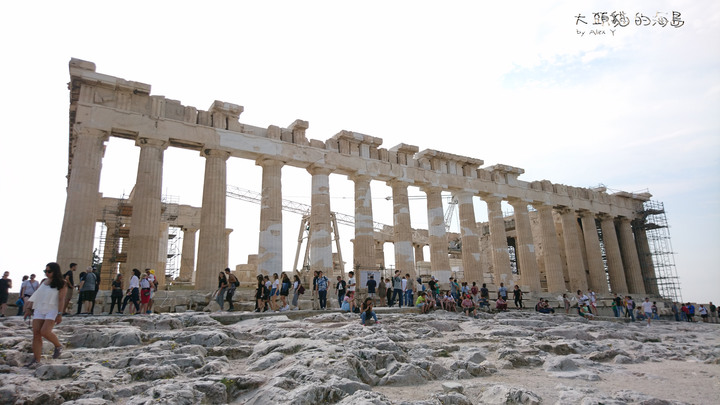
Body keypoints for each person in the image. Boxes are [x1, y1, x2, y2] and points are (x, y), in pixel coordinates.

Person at [24, 262, 67, 367]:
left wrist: (60, 314)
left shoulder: (62, 283)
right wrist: (28, 308)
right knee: (36, 334)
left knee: (45, 332)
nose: (46, 273)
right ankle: (36, 360)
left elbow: (61, 300)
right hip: (39, 308)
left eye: (49, 271)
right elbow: (36, 295)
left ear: (55, 271)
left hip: (52, 309)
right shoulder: (43, 281)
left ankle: (58, 346)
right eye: (45, 271)